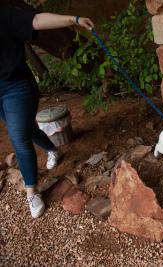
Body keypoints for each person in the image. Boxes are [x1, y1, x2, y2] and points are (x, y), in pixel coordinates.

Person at [0, 5, 94, 218]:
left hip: (16, 87)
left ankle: (31, 191)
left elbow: (37, 20)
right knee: (27, 131)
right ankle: (53, 149)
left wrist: (73, 18)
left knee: (18, 137)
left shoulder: (4, 14)